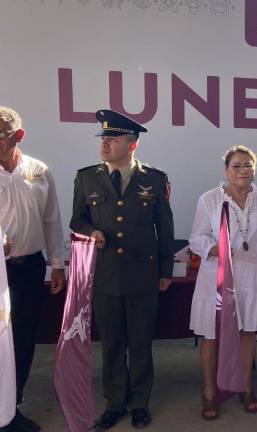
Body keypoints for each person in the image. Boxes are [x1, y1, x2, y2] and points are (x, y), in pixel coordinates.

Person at [70, 110, 174, 430]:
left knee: (141, 343)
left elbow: (164, 228)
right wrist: (92, 232)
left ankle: (140, 402)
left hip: (143, 275)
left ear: (132, 145)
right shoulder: (87, 177)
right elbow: (77, 220)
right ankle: (115, 403)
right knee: (112, 344)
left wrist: (166, 271)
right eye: (103, 138)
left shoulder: (154, 179)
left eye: (113, 139)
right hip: (105, 276)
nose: (105, 144)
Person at [188, 146, 257, 420]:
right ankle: (209, 393)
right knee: (211, 335)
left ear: (255, 169)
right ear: (226, 171)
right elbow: (196, 238)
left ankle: (246, 388)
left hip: (254, 278)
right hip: (216, 279)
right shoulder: (210, 199)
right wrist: (216, 248)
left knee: (247, 333)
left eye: (248, 165)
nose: (243, 170)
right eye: (237, 166)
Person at [0, 106, 65, 432]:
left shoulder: (39, 171)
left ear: (18, 136)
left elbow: (52, 219)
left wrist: (57, 264)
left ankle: (11, 409)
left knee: (23, 339)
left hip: (29, 268)